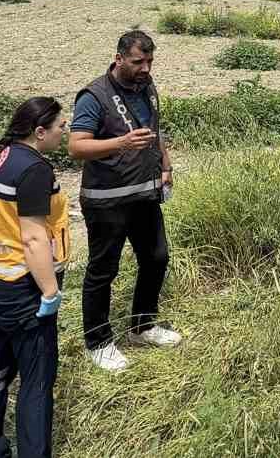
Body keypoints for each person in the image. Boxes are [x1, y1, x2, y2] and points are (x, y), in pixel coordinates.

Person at [0, 97, 70, 458]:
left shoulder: (1, 155)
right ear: (40, 132)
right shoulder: (35, 169)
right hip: (23, 291)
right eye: (59, 126)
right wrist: (50, 292)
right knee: (36, 381)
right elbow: (34, 237)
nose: (64, 130)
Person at [69, 30, 180, 373]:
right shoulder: (94, 96)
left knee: (157, 257)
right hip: (107, 201)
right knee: (104, 270)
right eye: (138, 62)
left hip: (144, 194)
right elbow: (76, 147)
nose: (145, 68)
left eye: (149, 61)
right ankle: (99, 342)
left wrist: (166, 164)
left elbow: (153, 130)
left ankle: (142, 326)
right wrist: (121, 143)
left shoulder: (146, 88)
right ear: (119, 59)